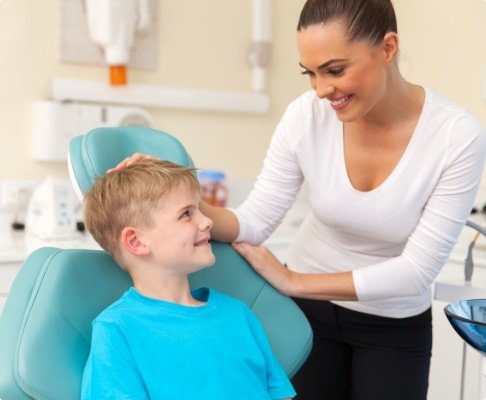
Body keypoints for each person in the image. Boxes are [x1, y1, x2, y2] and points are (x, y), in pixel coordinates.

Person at [115, 0, 486, 399]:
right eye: (310, 73)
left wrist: (294, 280)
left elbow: (414, 272)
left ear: (388, 48)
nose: (322, 90)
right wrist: (175, 197)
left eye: (335, 70)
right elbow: (255, 219)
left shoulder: (456, 137)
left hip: (391, 323)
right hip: (305, 318)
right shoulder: (305, 116)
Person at [80, 159, 295, 400]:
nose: (207, 221)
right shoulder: (116, 330)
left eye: (200, 210)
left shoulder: (237, 314)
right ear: (136, 242)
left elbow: (280, 395)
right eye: (186, 214)